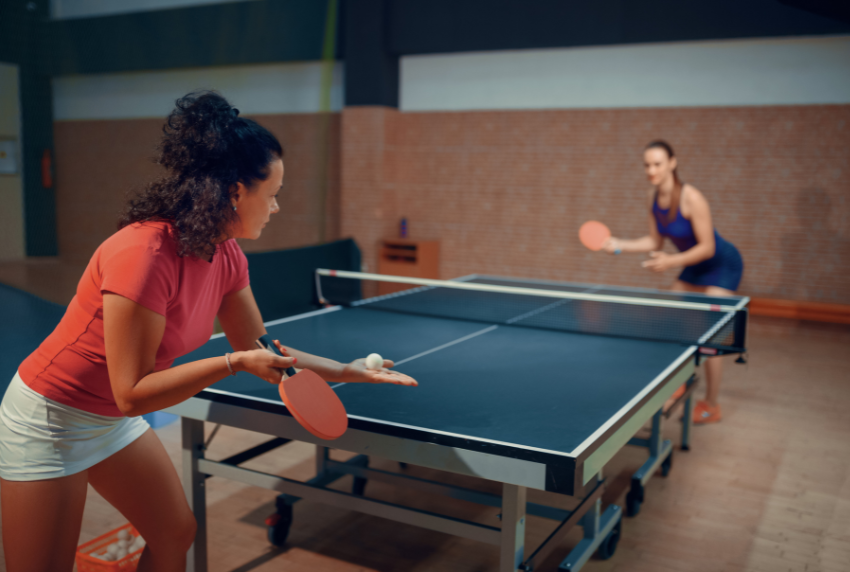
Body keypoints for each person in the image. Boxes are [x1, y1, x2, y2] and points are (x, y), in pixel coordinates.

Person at [0, 91, 417, 572]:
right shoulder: (144, 254)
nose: (277, 207)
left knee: (175, 532)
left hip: (107, 419)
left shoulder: (226, 253)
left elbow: (258, 348)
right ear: (237, 191)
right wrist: (231, 364)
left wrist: (345, 372)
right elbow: (133, 394)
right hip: (52, 417)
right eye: (274, 194)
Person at [603, 140, 743, 425]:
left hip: (720, 266)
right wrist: (619, 244)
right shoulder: (652, 197)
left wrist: (669, 262)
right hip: (691, 266)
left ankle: (711, 404)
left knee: (710, 334)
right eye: (647, 164)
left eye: (657, 163)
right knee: (667, 319)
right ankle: (677, 380)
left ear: (672, 163)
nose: (651, 170)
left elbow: (707, 248)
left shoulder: (692, 198)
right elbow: (654, 241)